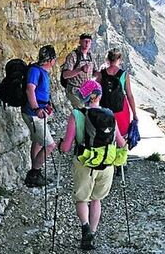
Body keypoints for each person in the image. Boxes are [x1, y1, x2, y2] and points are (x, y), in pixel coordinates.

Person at [59, 80, 126, 250]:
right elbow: (120, 142)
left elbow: (66, 147)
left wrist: (61, 146)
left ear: (84, 96)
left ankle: (85, 229)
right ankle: (93, 234)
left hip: (85, 162)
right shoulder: (110, 114)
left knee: (82, 199)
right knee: (97, 199)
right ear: (99, 95)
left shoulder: (77, 114)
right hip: (106, 164)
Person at [22, 45, 58, 187]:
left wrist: (45, 106)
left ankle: (35, 170)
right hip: (33, 114)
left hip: (37, 112)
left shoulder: (40, 70)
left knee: (37, 142)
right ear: (52, 60)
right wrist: (36, 108)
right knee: (50, 145)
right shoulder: (35, 71)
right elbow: (30, 90)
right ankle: (34, 174)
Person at [96, 48, 138, 139]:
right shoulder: (124, 75)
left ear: (108, 59)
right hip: (121, 109)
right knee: (121, 136)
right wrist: (134, 113)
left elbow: (96, 92)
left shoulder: (101, 74)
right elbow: (129, 95)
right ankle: (119, 150)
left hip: (104, 109)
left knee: (106, 134)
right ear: (119, 59)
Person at [61, 33, 95, 109]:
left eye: (89, 41)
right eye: (85, 41)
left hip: (87, 90)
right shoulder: (73, 56)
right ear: (80, 42)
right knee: (81, 112)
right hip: (74, 91)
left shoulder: (91, 56)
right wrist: (80, 69)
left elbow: (95, 72)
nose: (87, 43)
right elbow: (65, 75)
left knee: (91, 111)